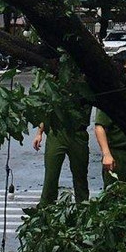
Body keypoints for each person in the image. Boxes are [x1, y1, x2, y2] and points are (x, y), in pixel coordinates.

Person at [33, 51, 95, 206]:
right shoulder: (53, 80)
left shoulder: (86, 80)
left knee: (80, 177)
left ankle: (83, 210)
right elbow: (46, 107)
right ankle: (46, 210)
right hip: (56, 132)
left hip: (78, 132)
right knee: (51, 177)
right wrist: (39, 133)